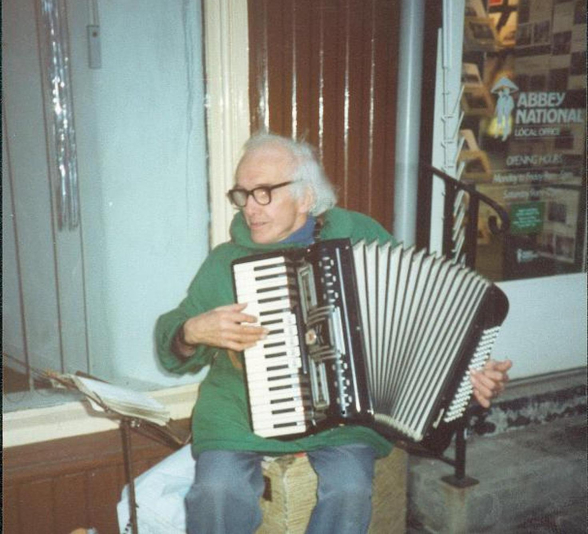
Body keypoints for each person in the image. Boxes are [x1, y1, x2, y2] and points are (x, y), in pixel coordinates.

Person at [155, 132, 512, 534]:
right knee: (217, 491)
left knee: (349, 490)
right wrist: (191, 331)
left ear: (305, 197)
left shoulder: (359, 234)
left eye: (263, 193)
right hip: (241, 407)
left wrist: (471, 376)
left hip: (348, 411)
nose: (249, 209)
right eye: (243, 194)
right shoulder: (225, 261)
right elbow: (171, 342)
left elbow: (423, 321)